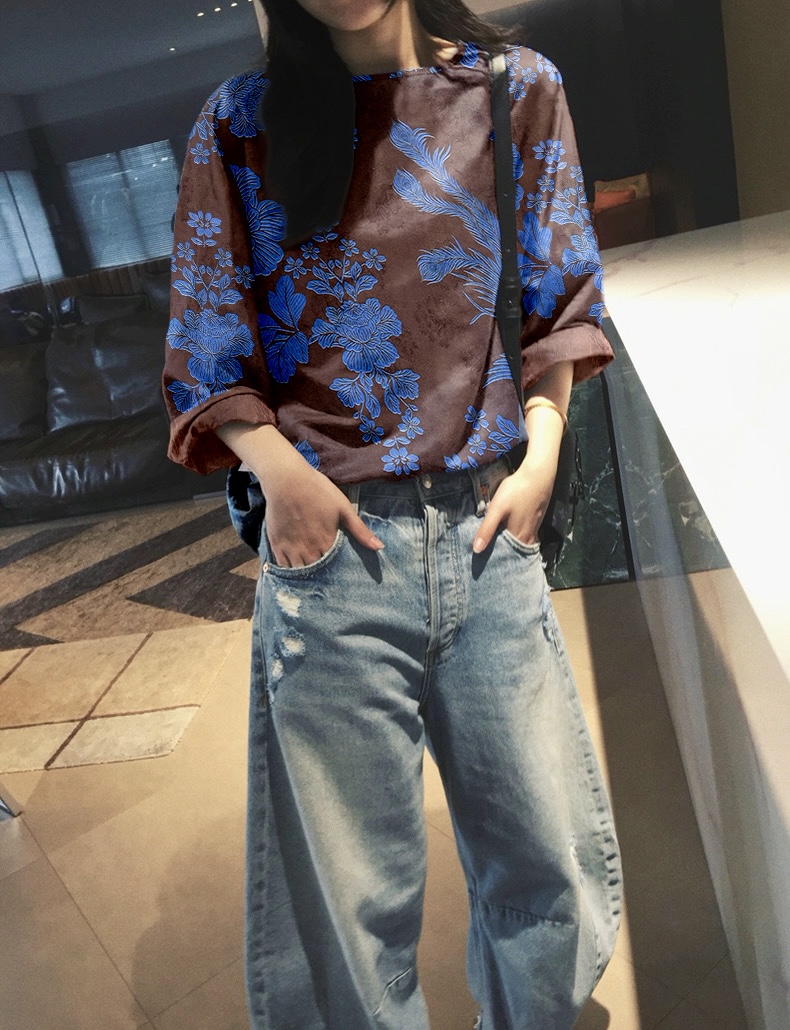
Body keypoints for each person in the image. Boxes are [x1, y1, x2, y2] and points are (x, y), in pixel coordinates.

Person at [163, 1, 622, 1026]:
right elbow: (206, 337)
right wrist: (281, 475)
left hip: (487, 525)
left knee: (546, 859)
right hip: (334, 549)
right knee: (347, 902)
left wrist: (543, 454)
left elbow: (561, 300)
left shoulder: (514, 89)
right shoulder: (242, 120)